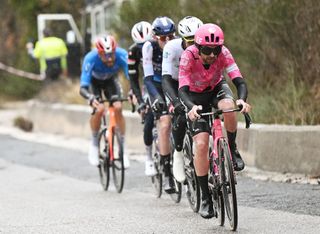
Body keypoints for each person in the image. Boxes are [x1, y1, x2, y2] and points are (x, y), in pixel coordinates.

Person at [178, 23, 251, 218]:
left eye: (216, 49)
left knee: (228, 107)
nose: (212, 54)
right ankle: (205, 198)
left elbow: (238, 80)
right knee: (201, 144)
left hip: (216, 88)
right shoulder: (188, 56)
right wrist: (190, 107)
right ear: (198, 47)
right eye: (207, 50)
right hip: (194, 97)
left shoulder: (224, 53)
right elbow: (182, 89)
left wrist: (242, 99)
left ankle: (233, 149)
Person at [162, 16, 203, 183]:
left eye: (196, 41)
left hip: (194, 84)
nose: (193, 45)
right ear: (181, 38)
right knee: (179, 114)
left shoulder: (205, 48)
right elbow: (165, 79)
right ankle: (178, 153)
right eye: (189, 41)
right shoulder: (171, 47)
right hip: (175, 83)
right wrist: (175, 102)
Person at [79, 35, 130, 168]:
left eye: (111, 54)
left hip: (111, 81)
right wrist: (90, 98)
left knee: (118, 107)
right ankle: (95, 142)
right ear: (99, 53)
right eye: (105, 55)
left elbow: (132, 78)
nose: (109, 59)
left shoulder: (122, 54)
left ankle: (122, 147)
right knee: (99, 109)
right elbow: (83, 88)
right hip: (94, 83)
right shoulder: (90, 58)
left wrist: (133, 92)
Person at [142, 16, 176, 193]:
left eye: (170, 36)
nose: (167, 40)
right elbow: (147, 79)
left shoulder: (178, 45)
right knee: (164, 122)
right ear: (155, 37)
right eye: (163, 38)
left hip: (173, 82)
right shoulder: (149, 47)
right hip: (155, 84)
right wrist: (156, 99)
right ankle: (167, 172)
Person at [128, 21, 156, 176]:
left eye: (147, 44)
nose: (144, 48)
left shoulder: (159, 45)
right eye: (140, 46)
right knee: (148, 116)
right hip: (147, 83)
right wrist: (140, 102)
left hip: (161, 80)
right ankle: (149, 158)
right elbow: (133, 79)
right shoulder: (133, 52)